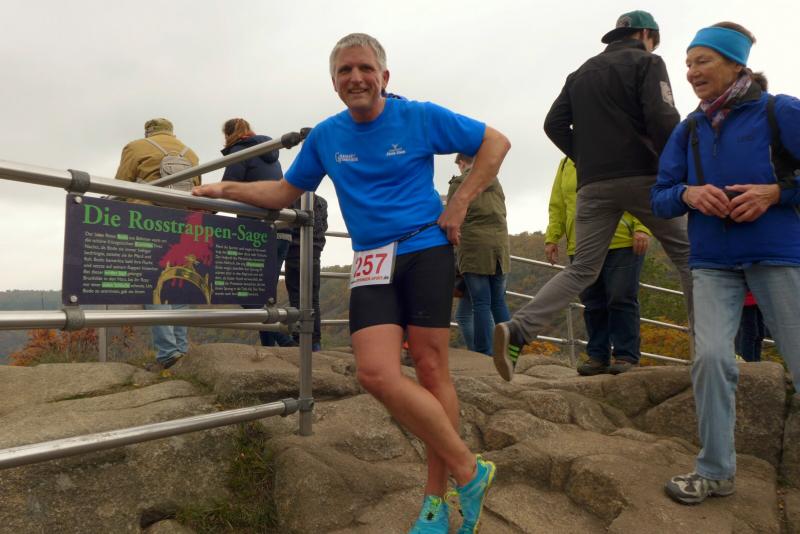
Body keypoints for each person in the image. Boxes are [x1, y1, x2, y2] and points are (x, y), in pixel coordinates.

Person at [193, 33, 511, 533]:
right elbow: (283, 191)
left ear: (384, 77)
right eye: (345, 71)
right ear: (334, 82)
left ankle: (434, 502)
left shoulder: (419, 116)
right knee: (375, 373)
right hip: (371, 261)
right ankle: (470, 471)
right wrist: (224, 188)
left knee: (431, 370)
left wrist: (460, 201)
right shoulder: (327, 136)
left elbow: (496, 142)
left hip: (425, 248)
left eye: (365, 68)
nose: (356, 78)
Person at [492, 10, 693, 383]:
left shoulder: (580, 73)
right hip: (644, 177)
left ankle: (519, 330)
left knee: (583, 268)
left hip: (593, 185)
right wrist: (676, 167)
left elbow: (553, 124)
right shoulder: (649, 63)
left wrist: (584, 158)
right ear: (646, 35)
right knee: (690, 256)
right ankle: (709, 347)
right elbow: (663, 117)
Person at [651, 21, 800, 505]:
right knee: (712, 358)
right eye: (688, 63)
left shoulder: (780, 111)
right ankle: (715, 471)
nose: (691, 71)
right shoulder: (689, 129)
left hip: (777, 254)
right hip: (712, 262)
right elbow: (659, 196)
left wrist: (777, 193)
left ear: (736, 64)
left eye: (703, 61)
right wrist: (688, 194)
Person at [545, 157, 651, 375]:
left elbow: (638, 192)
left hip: (621, 240)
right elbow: (558, 204)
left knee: (620, 297)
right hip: (581, 244)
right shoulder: (565, 163)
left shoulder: (616, 151)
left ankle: (625, 355)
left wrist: (642, 227)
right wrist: (552, 237)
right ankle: (597, 356)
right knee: (593, 302)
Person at [115, 118, 200, 369]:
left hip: (147, 221)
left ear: (148, 131)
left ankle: (168, 352)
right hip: (182, 223)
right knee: (179, 284)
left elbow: (121, 185)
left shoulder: (135, 147)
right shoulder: (191, 153)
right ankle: (181, 349)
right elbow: (196, 189)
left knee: (154, 284)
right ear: (171, 132)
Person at [221, 118, 295, 348]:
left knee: (241, 290)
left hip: (257, 233)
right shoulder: (269, 153)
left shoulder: (241, 152)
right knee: (266, 295)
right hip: (282, 230)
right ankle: (270, 349)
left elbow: (225, 188)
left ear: (228, 135)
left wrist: (203, 211)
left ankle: (285, 340)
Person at [446, 153, 510, 356]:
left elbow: (451, 218)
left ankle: (485, 353)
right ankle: (510, 350)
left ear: (462, 162)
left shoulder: (459, 183)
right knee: (498, 301)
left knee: (481, 303)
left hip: (474, 249)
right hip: (500, 247)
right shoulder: (494, 180)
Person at [284, 194, 328, 352]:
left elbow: (287, 224)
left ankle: (300, 340)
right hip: (315, 253)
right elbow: (324, 226)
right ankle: (315, 343)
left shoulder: (291, 199)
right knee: (313, 299)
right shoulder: (322, 202)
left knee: (296, 297)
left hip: (295, 251)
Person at [735, 292, 766, 362]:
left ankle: (757, 362)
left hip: (759, 298)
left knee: (760, 333)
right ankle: (748, 363)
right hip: (746, 300)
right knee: (750, 333)